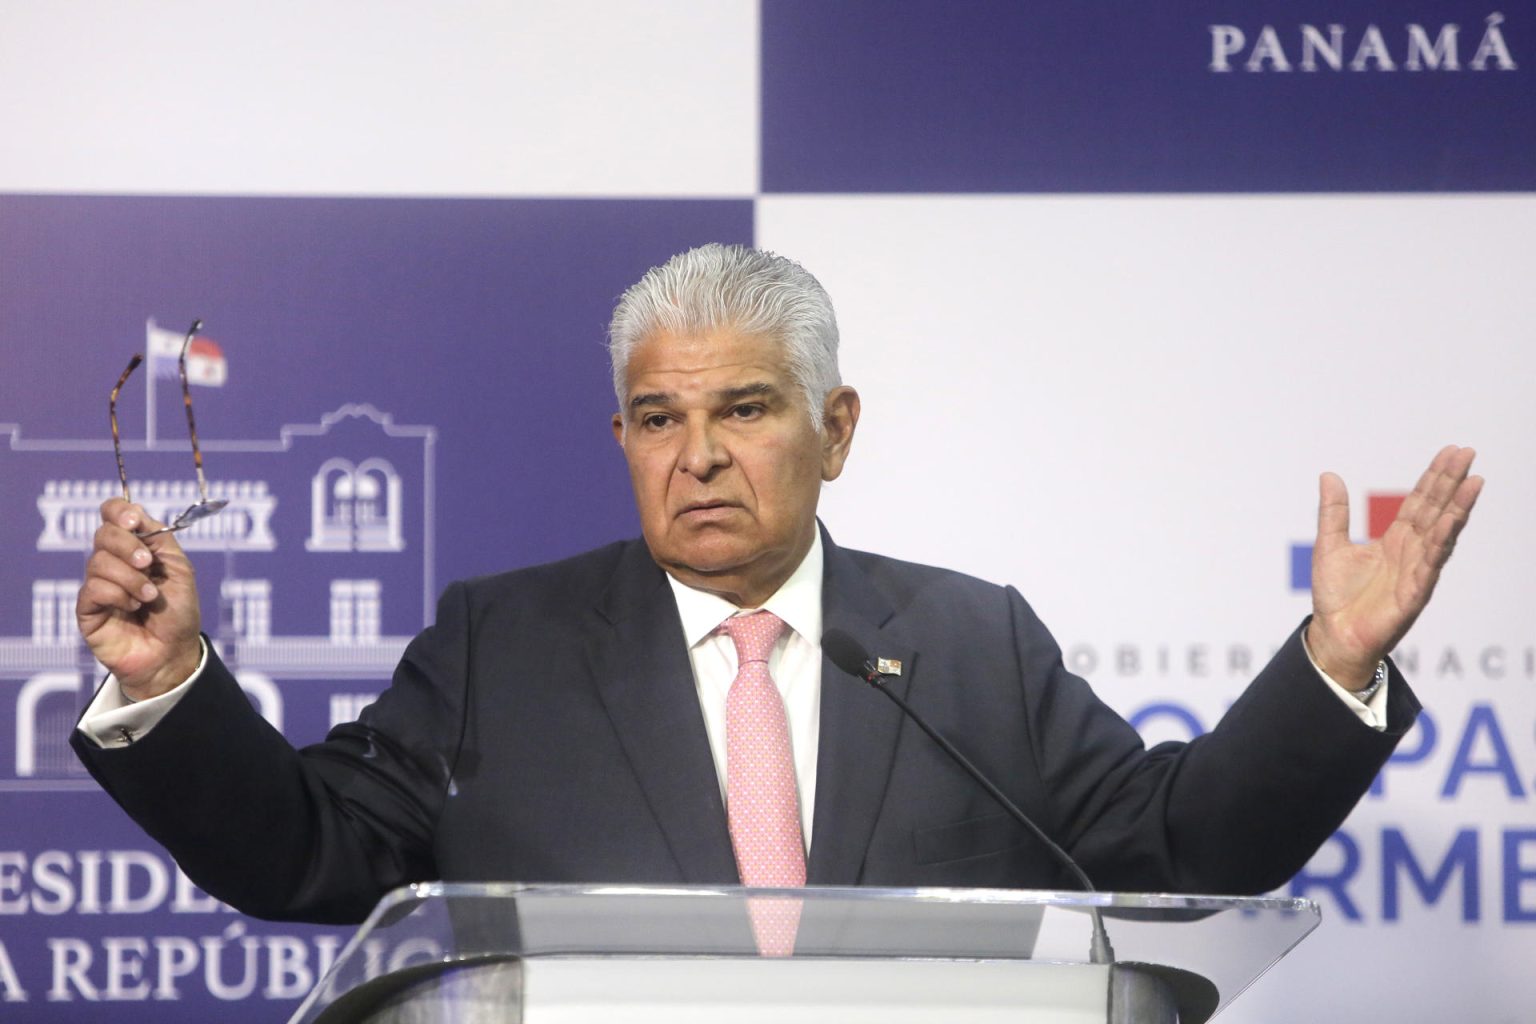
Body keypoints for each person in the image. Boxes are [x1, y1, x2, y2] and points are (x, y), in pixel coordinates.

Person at [72, 244, 1482, 926]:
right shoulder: (502, 643)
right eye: (657, 419)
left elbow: (1184, 856)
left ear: (837, 429)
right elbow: (308, 854)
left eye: (743, 409)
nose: (696, 458)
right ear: (621, 438)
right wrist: (169, 686)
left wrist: (1332, 661)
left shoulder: (968, 642)